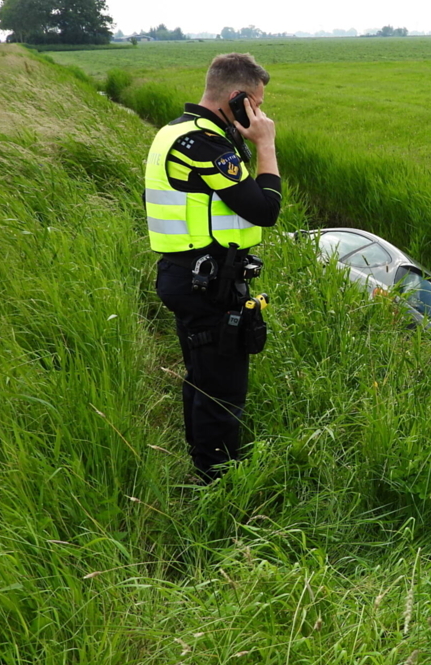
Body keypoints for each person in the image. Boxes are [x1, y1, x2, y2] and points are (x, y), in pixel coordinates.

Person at [145, 53, 281, 483]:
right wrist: (266, 145)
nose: (260, 114)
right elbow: (265, 209)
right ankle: (215, 483)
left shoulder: (178, 130)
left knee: (203, 377)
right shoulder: (205, 145)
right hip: (206, 282)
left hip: (190, 274)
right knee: (223, 391)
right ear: (238, 98)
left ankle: (201, 464)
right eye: (256, 104)